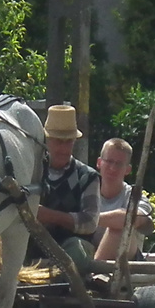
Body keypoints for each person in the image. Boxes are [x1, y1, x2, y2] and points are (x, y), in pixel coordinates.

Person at [33, 104, 99, 270]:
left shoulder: (87, 176)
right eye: (57, 141)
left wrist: (48, 215)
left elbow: (90, 222)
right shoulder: (32, 171)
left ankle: (57, 283)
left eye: (68, 141)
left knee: (76, 249)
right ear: (46, 140)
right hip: (33, 243)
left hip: (70, 248)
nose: (63, 148)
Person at [92, 137, 154, 261]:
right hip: (89, 253)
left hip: (126, 264)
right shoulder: (85, 192)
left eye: (119, 164)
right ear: (99, 163)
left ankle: (93, 274)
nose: (113, 168)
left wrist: (85, 220)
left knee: (120, 228)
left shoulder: (135, 197)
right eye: (109, 161)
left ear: (128, 170)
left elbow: (130, 219)